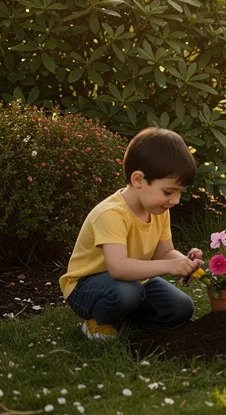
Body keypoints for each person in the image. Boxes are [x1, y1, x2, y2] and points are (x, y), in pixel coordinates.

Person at [61, 128, 201, 339]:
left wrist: (184, 263)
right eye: (168, 192)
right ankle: (97, 322)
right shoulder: (112, 213)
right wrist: (169, 266)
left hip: (134, 282)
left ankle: (121, 318)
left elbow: (164, 253)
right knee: (126, 293)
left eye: (179, 193)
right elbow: (118, 268)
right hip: (87, 287)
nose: (175, 200)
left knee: (182, 308)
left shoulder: (159, 209)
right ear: (138, 180)